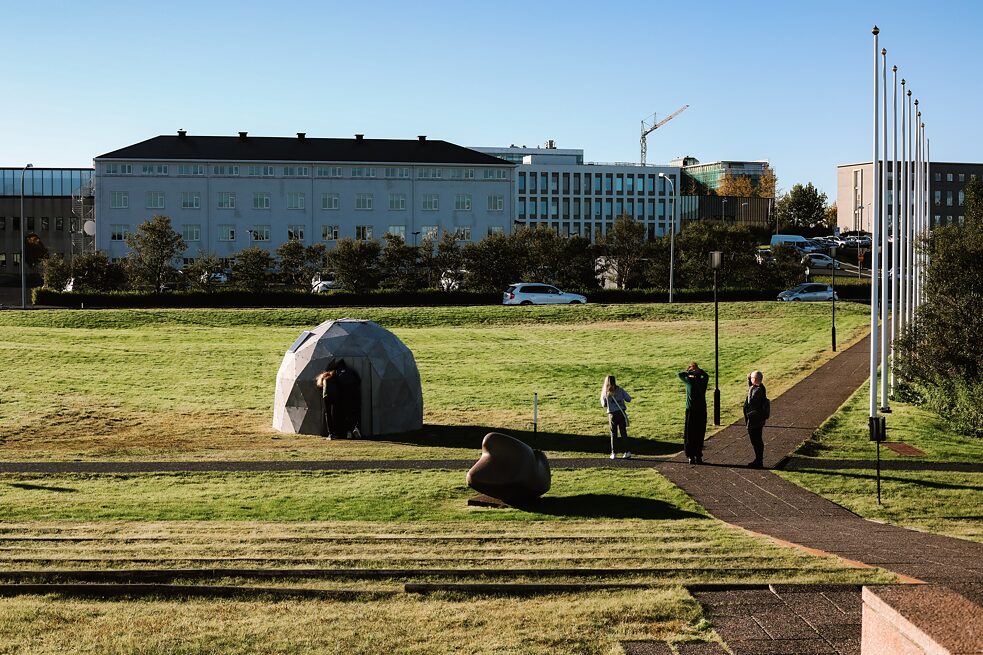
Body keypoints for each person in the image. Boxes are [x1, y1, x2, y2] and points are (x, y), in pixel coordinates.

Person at [677, 362, 710, 465]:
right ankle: (698, 455)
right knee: (699, 433)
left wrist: (689, 372)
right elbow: (706, 376)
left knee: (690, 434)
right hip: (701, 409)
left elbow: (679, 374)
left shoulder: (688, 381)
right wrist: (699, 371)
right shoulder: (703, 381)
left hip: (691, 410)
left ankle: (690, 456)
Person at [600, 375, 632, 460]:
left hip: (612, 414)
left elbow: (603, 404)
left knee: (613, 434)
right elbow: (629, 399)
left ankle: (613, 452)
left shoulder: (606, 392)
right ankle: (627, 451)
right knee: (623, 433)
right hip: (621, 413)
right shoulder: (620, 390)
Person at [743, 370, 768, 468]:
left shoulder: (756, 391)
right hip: (757, 419)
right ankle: (758, 460)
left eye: (752, 378)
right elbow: (751, 387)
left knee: (756, 440)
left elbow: (751, 402)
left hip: (754, 420)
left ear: (755, 379)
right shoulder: (760, 387)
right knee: (757, 440)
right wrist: (749, 379)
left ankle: (759, 461)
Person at [334, 359, 362, 438]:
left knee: (344, 414)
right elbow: (359, 381)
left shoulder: (337, 372)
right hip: (353, 395)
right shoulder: (351, 371)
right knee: (353, 413)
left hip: (343, 396)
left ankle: (348, 432)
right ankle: (355, 428)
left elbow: (335, 384)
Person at [314, 365, 341, 440]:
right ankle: (336, 432)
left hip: (326, 396)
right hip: (335, 395)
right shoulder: (335, 375)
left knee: (328, 414)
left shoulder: (323, 377)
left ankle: (331, 433)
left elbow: (319, 385)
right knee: (334, 413)